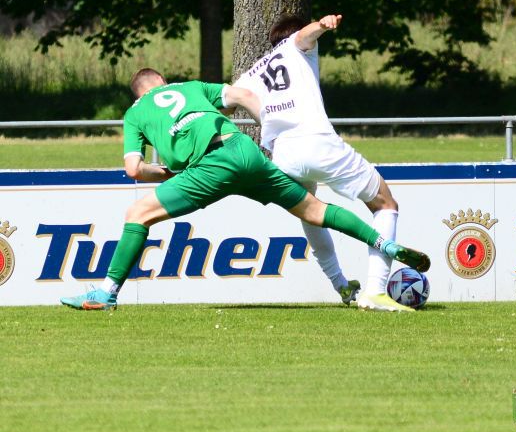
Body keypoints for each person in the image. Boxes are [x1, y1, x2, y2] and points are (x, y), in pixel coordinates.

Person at [60, 68, 429, 310]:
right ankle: (385, 243)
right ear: (163, 81)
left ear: (138, 93)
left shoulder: (135, 112)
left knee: (137, 214)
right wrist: (268, 135)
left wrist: (165, 173)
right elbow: (244, 97)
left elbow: (132, 169)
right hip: (244, 150)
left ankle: (107, 293)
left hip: (210, 164)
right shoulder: (190, 87)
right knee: (314, 209)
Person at [234, 14, 428, 312]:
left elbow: (232, 98)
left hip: (284, 154)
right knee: (385, 204)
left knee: (310, 211)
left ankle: (341, 285)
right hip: (317, 142)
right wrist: (321, 26)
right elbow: (303, 37)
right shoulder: (296, 46)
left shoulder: (252, 74)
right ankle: (375, 292)